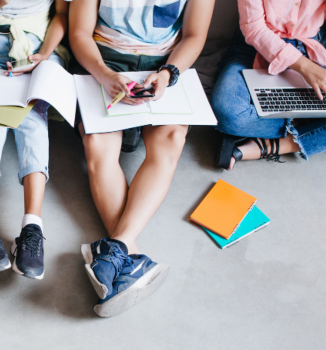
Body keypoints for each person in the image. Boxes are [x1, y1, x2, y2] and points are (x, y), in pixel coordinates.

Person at [68, 0, 214, 317]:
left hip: (166, 63)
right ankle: (129, 254)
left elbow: (194, 35)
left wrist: (168, 74)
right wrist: (105, 75)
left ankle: (116, 249)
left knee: (172, 139)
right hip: (103, 60)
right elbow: (79, 33)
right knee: (98, 143)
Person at [0, 0, 69, 279]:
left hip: (36, 46)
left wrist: (43, 54)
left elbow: (62, 14)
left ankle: (32, 227)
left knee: (33, 119)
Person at [211, 0, 326, 170]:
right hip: (252, 48)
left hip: (305, 50)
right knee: (229, 115)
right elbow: (253, 28)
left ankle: (272, 146)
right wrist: (305, 67)